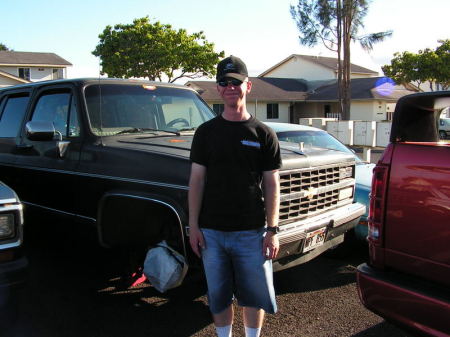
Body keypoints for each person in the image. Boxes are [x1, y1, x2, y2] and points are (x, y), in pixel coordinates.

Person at [188, 55, 281, 337]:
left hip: (251, 232)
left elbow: (272, 183)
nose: (230, 87)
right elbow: (196, 181)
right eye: (224, 83)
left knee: (253, 296)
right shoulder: (205, 133)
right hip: (212, 233)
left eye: (236, 82)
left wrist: (272, 229)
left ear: (248, 86)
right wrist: (193, 226)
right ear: (218, 89)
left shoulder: (263, 133)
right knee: (218, 296)